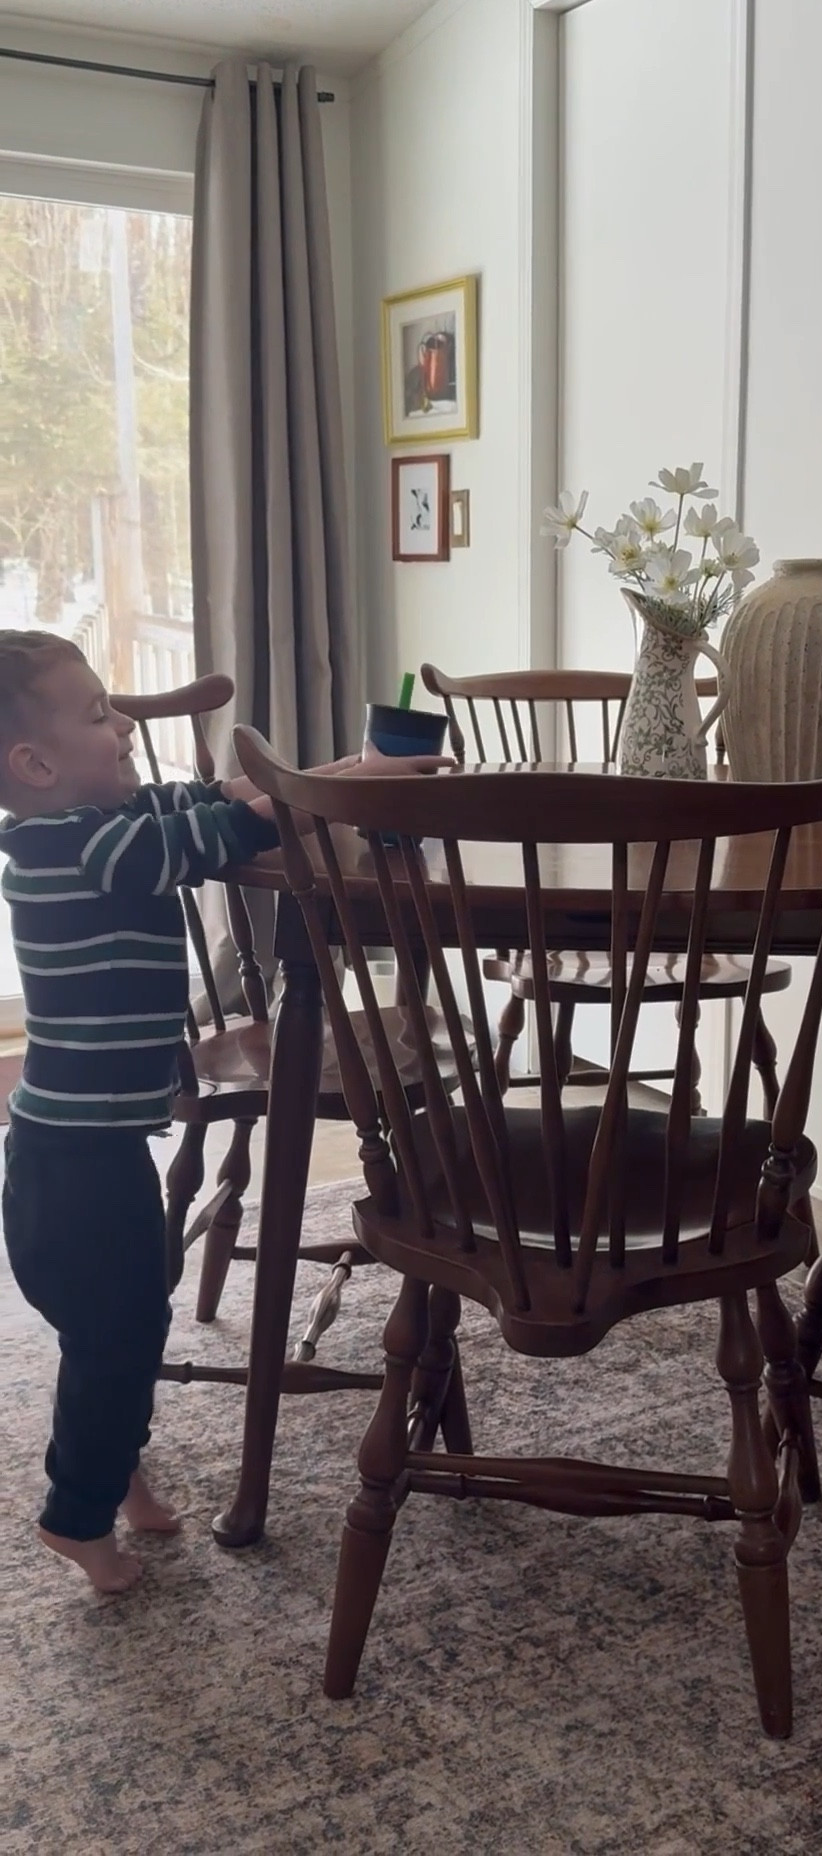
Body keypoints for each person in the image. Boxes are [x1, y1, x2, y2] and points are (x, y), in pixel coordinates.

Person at [0, 630, 449, 1593]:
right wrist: (327, 785)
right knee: (116, 1337)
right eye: (96, 716)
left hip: (91, 1151)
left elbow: (206, 801)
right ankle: (76, 1517)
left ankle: (115, 1471)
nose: (124, 726)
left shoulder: (95, 824)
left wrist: (333, 776)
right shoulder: (77, 847)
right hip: (66, 1171)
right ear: (33, 767)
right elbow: (206, 836)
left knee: (118, 1334)